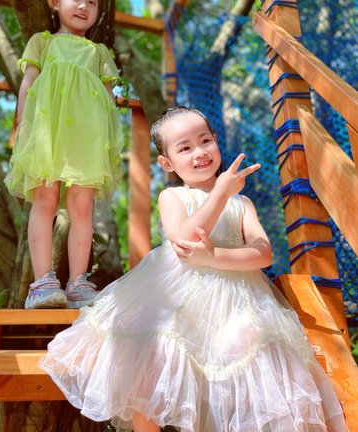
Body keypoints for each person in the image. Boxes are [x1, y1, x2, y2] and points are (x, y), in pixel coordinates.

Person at [40, 106, 346, 431]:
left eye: (204, 141)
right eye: (185, 148)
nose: (199, 152)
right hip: (177, 294)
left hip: (236, 300)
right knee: (147, 356)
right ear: (167, 163)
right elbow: (185, 240)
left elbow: (263, 253)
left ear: (216, 141)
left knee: (252, 354)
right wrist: (220, 194)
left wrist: (215, 256)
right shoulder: (172, 196)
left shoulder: (242, 203)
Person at [5, 0, 123, 309]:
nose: (84, 6)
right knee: (45, 198)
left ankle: (77, 283)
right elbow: (28, 83)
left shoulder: (99, 52)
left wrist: (109, 141)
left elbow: (108, 100)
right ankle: (42, 283)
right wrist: (23, 125)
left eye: (92, 2)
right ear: (56, 3)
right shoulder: (42, 42)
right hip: (48, 136)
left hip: (86, 139)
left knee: (82, 206)